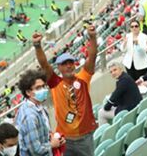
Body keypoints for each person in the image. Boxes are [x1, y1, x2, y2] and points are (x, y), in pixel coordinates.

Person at [32, 25, 98, 156]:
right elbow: (44, 64)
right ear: (59, 67)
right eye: (64, 64)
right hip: (64, 139)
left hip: (85, 138)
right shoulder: (55, 82)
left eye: (70, 63)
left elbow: (93, 55)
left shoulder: (83, 78)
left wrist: (92, 36)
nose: (68, 66)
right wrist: (38, 46)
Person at [15, 70, 63, 156]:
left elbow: (45, 134)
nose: (43, 90)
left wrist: (56, 140)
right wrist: (52, 144)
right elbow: (36, 150)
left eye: (44, 86)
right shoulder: (30, 116)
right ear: (28, 92)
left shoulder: (39, 107)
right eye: (38, 88)